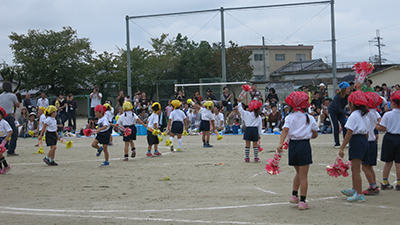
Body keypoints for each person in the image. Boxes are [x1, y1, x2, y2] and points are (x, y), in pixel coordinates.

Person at [277, 91, 319, 210]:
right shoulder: (310, 118)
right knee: (304, 175)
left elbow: (285, 130)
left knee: (298, 172)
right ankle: (302, 200)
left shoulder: (289, 117)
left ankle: (294, 194)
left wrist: (280, 143)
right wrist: (307, 134)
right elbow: (315, 134)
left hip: (293, 146)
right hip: (304, 145)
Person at [339, 91, 370, 202]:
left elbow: (349, 133)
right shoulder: (364, 115)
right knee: (354, 168)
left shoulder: (354, 116)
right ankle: (355, 189)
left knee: (356, 170)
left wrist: (342, 147)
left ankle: (359, 193)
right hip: (364, 141)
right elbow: (367, 132)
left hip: (357, 141)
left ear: (352, 104)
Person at [375, 91, 400, 191]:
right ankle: (399, 183)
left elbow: (383, 128)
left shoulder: (388, 114)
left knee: (388, 162)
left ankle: (385, 182)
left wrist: (375, 125)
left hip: (389, 138)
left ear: (393, 103)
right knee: (399, 162)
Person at [361, 92, 383, 195]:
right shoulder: (375, 111)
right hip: (373, 141)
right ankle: (373, 185)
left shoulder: (367, 112)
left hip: (368, 141)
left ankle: (373, 186)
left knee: (365, 166)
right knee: (369, 166)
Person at [238, 98, 262, 162]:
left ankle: (247, 158)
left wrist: (239, 103)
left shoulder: (247, 114)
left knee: (247, 145)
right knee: (255, 145)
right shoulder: (258, 116)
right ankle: (256, 157)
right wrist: (259, 134)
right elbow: (260, 126)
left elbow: (241, 110)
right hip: (255, 130)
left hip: (248, 129)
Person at [328, 82, 350, 148]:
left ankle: (345, 141)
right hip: (333, 112)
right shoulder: (336, 97)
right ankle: (336, 143)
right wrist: (348, 114)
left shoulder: (347, 96)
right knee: (335, 126)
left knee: (344, 125)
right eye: (347, 89)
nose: (349, 90)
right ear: (343, 89)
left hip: (341, 112)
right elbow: (339, 108)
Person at [0, 82, 19, 156]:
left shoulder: (0, 96)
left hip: (1, 116)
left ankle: (4, 146)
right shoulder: (12, 95)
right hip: (8, 116)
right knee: (14, 133)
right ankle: (11, 150)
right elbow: (18, 105)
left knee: (2, 133)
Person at [0, 107, 13, 174]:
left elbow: (10, 131)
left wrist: (7, 137)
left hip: (3, 139)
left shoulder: (4, 122)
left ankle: (5, 166)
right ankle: (2, 167)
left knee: (0, 153)